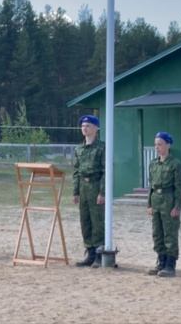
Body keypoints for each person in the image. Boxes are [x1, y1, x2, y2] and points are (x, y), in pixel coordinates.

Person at [147, 131, 181, 277]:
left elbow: (179, 187)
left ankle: (170, 265)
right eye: (155, 144)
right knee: (157, 233)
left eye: (160, 144)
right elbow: (151, 186)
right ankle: (160, 262)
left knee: (170, 233)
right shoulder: (153, 164)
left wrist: (177, 206)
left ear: (168, 145)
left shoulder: (175, 164)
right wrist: (149, 204)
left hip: (169, 200)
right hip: (156, 199)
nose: (157, 147)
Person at [72, 114, 105, 268]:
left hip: (95, 185)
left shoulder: (102, 147)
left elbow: (106, 171)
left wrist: (102, 192)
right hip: (83, 187)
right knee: (85, 221)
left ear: (96, 128)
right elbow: (76, 171)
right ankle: (89, 252)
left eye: (88, 126)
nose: (84, 128)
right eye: (83, 126)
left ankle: (99, 254)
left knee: (97, 221)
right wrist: (75, 192)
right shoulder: (79, 149)